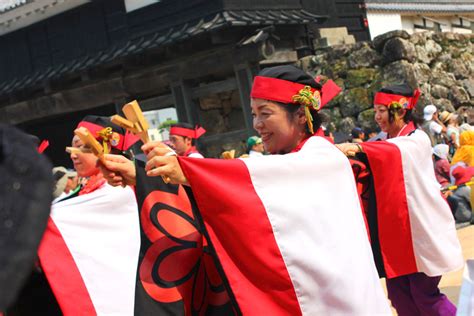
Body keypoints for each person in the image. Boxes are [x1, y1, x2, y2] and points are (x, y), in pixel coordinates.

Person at [100, 65, 391, 315]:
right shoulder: (286, 163)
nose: (257, 124)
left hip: (337, 301)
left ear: (301, 115)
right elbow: (246, 197)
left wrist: (186, 171)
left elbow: (253, 180)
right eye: (253, 114)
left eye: (266, 113)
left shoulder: (320, 158)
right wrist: (144, 178)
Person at [337, 84, 463, 315]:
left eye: (381, 111)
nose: (377, 117)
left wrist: (355, 146)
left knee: (424, 296)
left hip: (421, 228)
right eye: (375, 111)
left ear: (401, 111)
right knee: (399, 297)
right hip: (395, 232)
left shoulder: (417, 139)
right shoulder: (382, 140)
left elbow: (391, 151)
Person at [37, 116, 141, 315]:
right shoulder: (90, 189)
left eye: (83, 148)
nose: (74, 155)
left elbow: (57, 219)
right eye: (73, 147)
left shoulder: (118, 190)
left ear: (106, 149)